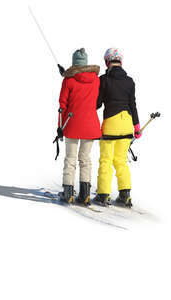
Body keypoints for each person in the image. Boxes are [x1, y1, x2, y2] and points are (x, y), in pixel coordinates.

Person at [93, 48, 141, 207]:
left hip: (111, 123)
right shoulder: (129, 81)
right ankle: (125, 195)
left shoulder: (103, 80)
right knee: (121, 161)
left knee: (106, 160)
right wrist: (137, 126)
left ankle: (103, 195)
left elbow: (98, 104)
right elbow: (132, 105)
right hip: (127, 123)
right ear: (121, 62)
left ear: (107, 62)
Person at [57, 48, 102, 205]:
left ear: (74, 63)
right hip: (91, 124)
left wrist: (60, 126)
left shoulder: (68, 81)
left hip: (72, 123)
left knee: (70, 158)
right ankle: (85, 194)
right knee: (85, 159)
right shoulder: (96, 80)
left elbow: (62, 105)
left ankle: (68, 193)